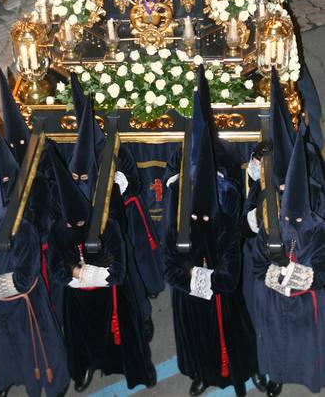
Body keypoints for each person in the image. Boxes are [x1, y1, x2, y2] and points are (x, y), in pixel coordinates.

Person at [0, 121, 70, 397]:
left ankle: (54, 384)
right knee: (1, 347)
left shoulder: (22, 232)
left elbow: (25, 278)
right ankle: (6, 379)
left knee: (37, 346)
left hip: (25, 306)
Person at [47, 146, 157, 393]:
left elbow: (118, 271)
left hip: (112, 297)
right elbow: (55, 269)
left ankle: (131, 366)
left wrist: (98, 271)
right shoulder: (57, 231)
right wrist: (78, 271)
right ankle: (84, 367)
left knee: (122, 335)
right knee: (81, 338)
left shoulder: (109, 224)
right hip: (78, 300)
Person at [164, 121, 258, 397]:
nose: (200, 221)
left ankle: (245, 370)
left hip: (223, 301)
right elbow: (170, 270)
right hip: (190, 302)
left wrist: (203, 277)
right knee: (198, 340)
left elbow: (230, 279)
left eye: (205, 217)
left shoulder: (226, 228)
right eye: (195, 217)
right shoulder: (177, 230)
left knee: (235, 337)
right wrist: (195, 280)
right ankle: (202, 373)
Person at [252, 129, 325, 394]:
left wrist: (293, 271)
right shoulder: (271, 226)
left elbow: (321, 272)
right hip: (273, 299)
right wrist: (275, 269)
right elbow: (256, 264)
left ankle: (310, 375)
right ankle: (276, 373)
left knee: (304, 342)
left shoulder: (317, 228)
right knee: (274, 339)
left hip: (305, 301)